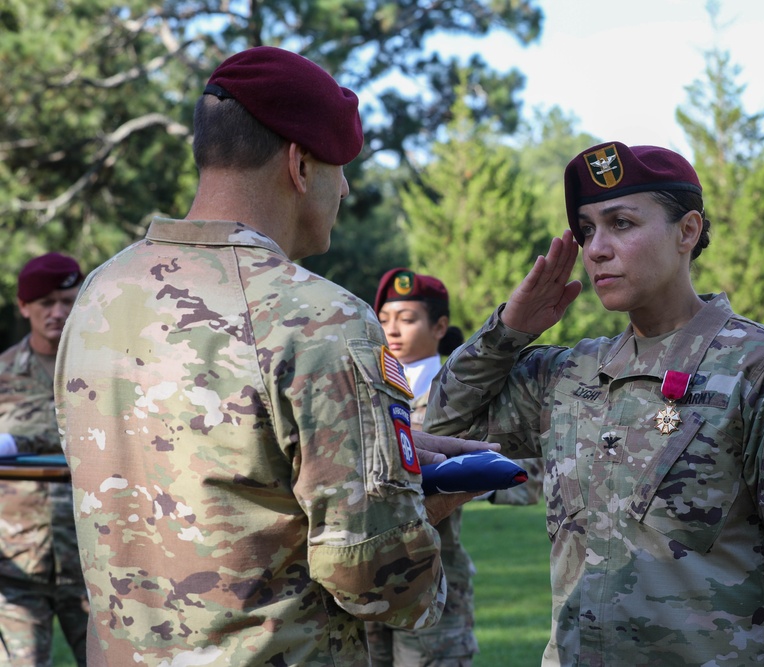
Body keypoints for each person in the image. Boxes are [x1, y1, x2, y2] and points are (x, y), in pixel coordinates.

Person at [54, 46, 484, 667]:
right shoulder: (321, 318)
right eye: (342, 167)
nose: (348, 188)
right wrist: (425, 492)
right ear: (301, 165)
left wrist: (391, 460)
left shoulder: (100, 294)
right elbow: (377, 581)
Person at [425, 142, 764, 666]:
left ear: (688, 231)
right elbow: (444, 423)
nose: (596, 249)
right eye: (587, 230)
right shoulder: (568, 373)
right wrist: (510, 331)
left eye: (622, 223)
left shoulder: (758, 364)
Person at [369, 269, 543, 667]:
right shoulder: (367, 393)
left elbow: (525, 480)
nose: (392, 331)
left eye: (407, 319)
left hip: (433, 578)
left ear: (439, 326)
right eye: (384, 320)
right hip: (365, 579)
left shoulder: (465, 393)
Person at [0, 252, 88, 666]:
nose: (57, 312)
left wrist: (16, 443)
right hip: (17, 566)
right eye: (46, 302)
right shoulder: (2, 375)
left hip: (93, 566)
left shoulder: (105, 371)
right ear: (24, 307)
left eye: (68, 300)